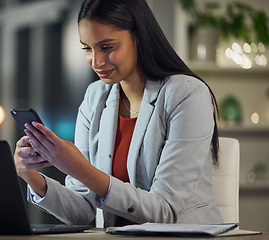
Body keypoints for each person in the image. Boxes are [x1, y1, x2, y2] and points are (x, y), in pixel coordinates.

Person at [14, 0, 222, 227]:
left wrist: (80, 169)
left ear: (138, 38)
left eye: (107, 47)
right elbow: (83, 211)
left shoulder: (186, 93)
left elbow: (165, 212)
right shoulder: (95, 97)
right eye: (87, 48)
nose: (96, 61)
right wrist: (30, 176)